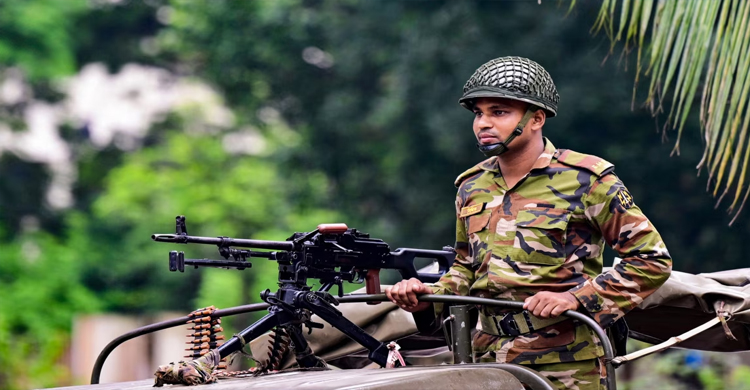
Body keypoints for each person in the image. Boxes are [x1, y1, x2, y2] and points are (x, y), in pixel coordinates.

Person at [385, 56, 672, 390]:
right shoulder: (471, 186)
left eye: (499, 111)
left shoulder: (586, 180)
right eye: (479, 112)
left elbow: (652, 262)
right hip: (484, 359)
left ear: (537, 118)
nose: (483, 123)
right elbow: (466, 270)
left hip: (566, 363)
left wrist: (578, 298)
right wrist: (427, 295)